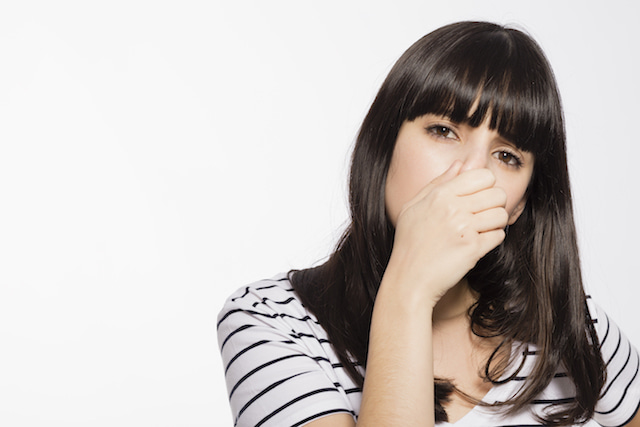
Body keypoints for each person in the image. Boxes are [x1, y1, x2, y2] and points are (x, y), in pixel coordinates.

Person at [217, 21, 640, 426]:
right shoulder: (272, 321)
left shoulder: (569, 326)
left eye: (507, 156)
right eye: (443, 130)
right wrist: (411, 288)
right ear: (384, 147)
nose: (471, 173)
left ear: (518, 206)